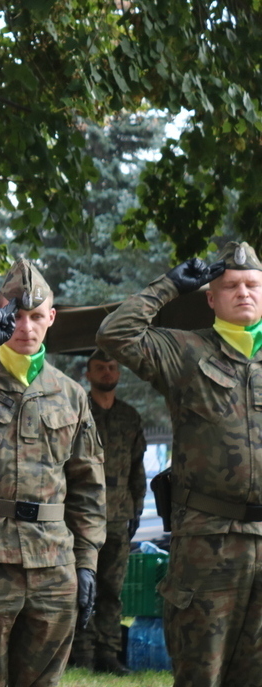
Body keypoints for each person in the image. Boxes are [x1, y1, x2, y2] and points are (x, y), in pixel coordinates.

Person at [96, 241, 262, 686]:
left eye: (252, 284)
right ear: (211, 298)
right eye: (230, 286)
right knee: (199, 675)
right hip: (208, 543)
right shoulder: (186, 352)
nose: (243, 292)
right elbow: (115, 335)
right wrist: (168, 286)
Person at [0, 260, 106, 687]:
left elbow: (87, 486)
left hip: (52, 566)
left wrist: (86, 563)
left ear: (52, 317)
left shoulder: (70, 394)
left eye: (36, 316)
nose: (25, 327)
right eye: (16, 314)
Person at [69, 349, 146, 675]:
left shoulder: (129, 416)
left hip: (118, 516)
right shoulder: (76, 410)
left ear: (118, 374)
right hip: (81, 518)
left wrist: (136, 510)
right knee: (81, 588)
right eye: (99, 368)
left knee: (112, 591)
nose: (106, 372)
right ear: (88, 374)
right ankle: (81, 654)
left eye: (112, 368)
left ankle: (108, 654)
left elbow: (137, 468)